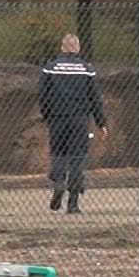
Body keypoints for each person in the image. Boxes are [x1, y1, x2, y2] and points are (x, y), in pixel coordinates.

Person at [39, 33, 107, 213]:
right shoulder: (87, 69)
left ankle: (58, 181)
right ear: (78, 48)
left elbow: (43, 94)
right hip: (80, 119)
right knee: (77, 157)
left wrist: (47, 115)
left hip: (57, 117)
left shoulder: (51, 68)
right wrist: (101, 122)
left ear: (62, 47)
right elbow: (95, 98)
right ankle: (73, 203)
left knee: (58, 153)